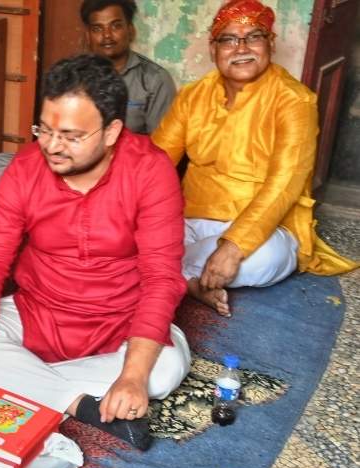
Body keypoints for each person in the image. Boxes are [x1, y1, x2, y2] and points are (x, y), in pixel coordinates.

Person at [0, 54, 191, 451]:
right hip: (39, 313)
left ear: (112, 132)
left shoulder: (150, 170)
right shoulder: (25, 168)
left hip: (121, 320)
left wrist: (133, 376)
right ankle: (78, 404)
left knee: (162, 372)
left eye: (72, 137)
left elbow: (162, 279)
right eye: (44, 130)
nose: (53, 147)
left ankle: (27, 382)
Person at [151, 0, 357, 317]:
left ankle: (169, 273)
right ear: (213, 48)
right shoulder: (193, 96)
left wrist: (235, 246)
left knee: (267, 258)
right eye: (229, 39)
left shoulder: (294, 100)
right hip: (191, 217)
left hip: (266, 230)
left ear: (271, 43)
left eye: (254, 36)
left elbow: (285, 183)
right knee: (130, 231)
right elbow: (156, 161)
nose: (241, 48)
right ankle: (190, 279)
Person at [0, 0, 176, 188]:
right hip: (67, 159)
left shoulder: (154, 80)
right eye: (97, 29)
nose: (107, 35)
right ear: (88, 35)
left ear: (131, 30)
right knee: (0, 163)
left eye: (115, 26)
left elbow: (161, 150)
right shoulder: (73, 74)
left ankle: (58, 200)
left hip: (119, 172)